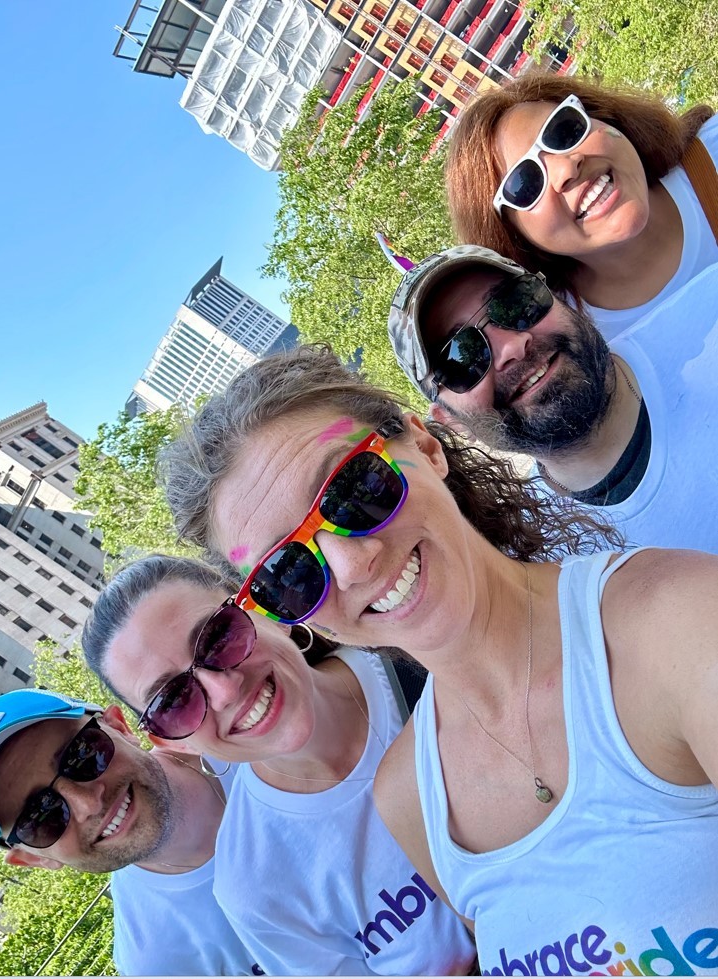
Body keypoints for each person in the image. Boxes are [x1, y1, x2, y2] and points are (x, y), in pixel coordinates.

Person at [159, 345, 718, 976]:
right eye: (288, 571)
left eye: (352, 490)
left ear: (425, 447)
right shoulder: (410, 797)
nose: (352, 564)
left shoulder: (675, 623)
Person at [81, 553, 475, 977]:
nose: (224, 690)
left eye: (217, 638)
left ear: (262, 606)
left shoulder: (423, 649)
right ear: (167, 738)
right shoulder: (257, 885)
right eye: (173, 700)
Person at [387, 243, 718, 552]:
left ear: (557, 296)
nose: (513, 347)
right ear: (451, 421)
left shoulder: (708, 314)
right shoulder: (538, 561)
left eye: (516, 302)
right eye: (460, 359)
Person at [0, 688, 258, 976]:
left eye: (81, 755)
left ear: (119, 726)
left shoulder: (259, 737)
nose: (88, 805)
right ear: (34, 859)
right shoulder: (160, 963)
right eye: (39, 818)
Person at [446, 72, 717, 339]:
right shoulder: (571, 349)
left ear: (602, 117)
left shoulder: (712, 153)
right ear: (513, 236)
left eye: (564, 130)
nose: (566, 169)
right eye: (525, 183)